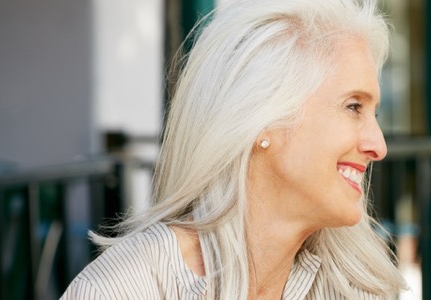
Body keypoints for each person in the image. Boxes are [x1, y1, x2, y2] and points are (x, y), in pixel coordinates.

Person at [61, 0, 405, 298]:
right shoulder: (123, 289)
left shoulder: (355, 287)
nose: (378, 146)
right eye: (353, 107)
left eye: (374, 112)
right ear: (263, 120)